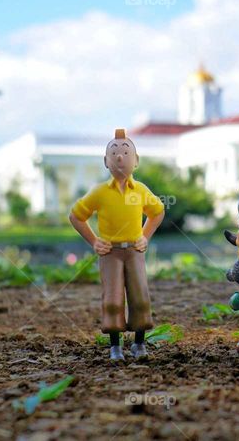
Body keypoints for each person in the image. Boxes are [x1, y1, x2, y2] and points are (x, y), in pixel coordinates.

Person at [69, 128, 165, 360]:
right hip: (110, 253)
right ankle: (115, 347)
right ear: (106, 161)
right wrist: (94, 241)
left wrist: (145, 236)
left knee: (140, 297)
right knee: (112, 299)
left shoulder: (140, 190)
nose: (120, 156)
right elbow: (76, 216)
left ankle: (139, 344)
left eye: (125, 152)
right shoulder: (99, 192)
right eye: (114, 153)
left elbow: (158, 211)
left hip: (134, 251)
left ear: (136, 160)